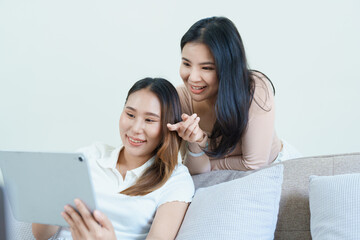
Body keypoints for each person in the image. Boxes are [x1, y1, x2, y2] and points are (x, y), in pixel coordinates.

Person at [32, 78, 195, 240]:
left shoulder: (175, 180)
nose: (135, 128)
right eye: (130, 114)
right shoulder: (89, 156)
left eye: (149, 120)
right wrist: (50, 195)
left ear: (168, 125)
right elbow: (40, 234)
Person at [167, 16, 301, 174]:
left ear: (227, 69)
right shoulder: (179, 99)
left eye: (207, 68)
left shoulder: (254, 89)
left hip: (274, 170)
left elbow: (254, 165)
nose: (193, 77)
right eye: (186, 64)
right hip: (215, 181)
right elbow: (192, 169)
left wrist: (209, 165)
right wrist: (198, 143)